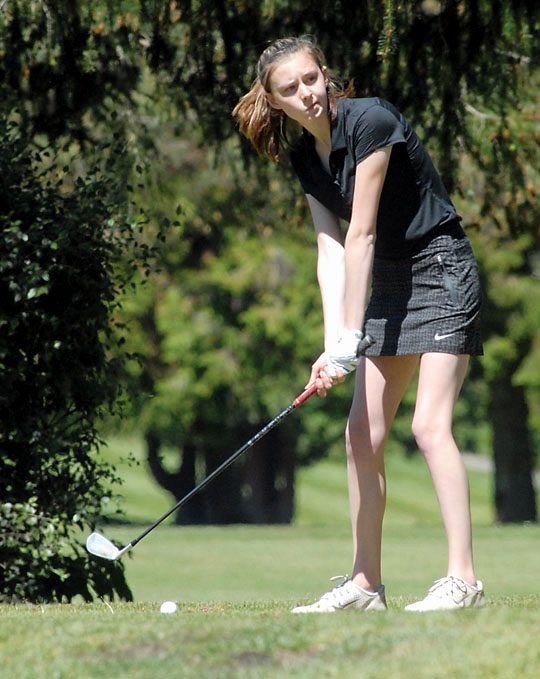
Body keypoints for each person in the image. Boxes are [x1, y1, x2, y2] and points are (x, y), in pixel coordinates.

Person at [233, 36, 485, 612]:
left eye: (312, 79)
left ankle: (463, 580)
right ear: (273, 102)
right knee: (361, 435)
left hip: (440, 267)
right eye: (290, 89)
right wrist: (334, 344)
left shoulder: (370, 120)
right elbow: (329, 249)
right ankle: (365, 586)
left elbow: (361, 234)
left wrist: (351, 334)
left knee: (429, 426)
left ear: (326, 74)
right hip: (392, 281)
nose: (307, 94)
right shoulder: (304, 156)